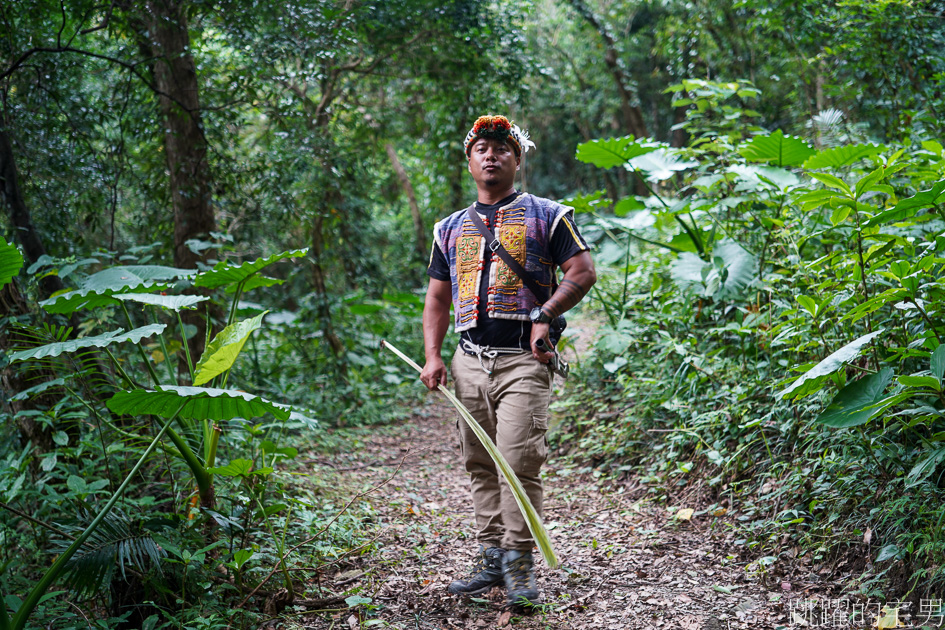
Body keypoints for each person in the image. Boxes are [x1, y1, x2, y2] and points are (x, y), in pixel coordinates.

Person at [420, 114, 596, 608]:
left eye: (501, 147)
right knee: (480, 461)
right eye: (481, 148)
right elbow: (437, 299)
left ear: (518, 159)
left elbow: (582, 272)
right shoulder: (450, 228)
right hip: (468, 360)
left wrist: (546, 314)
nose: (491, 154)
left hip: (523, 359)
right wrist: (434, 356)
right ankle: (492, 561)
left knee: (517, 462)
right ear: (470, 161)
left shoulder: (548, 215)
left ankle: (520, 566)